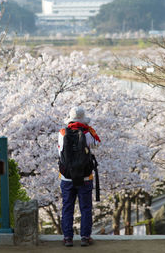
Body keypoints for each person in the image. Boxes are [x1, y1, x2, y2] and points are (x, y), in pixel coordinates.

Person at [58, 106, 101, 247]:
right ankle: (85, 237)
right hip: (85, 177)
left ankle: (68, 238)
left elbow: (60, 152)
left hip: (67, 177)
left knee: (67, 207)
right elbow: (97, 145)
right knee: (85, 207)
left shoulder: (62, 132)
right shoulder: (88, 133)